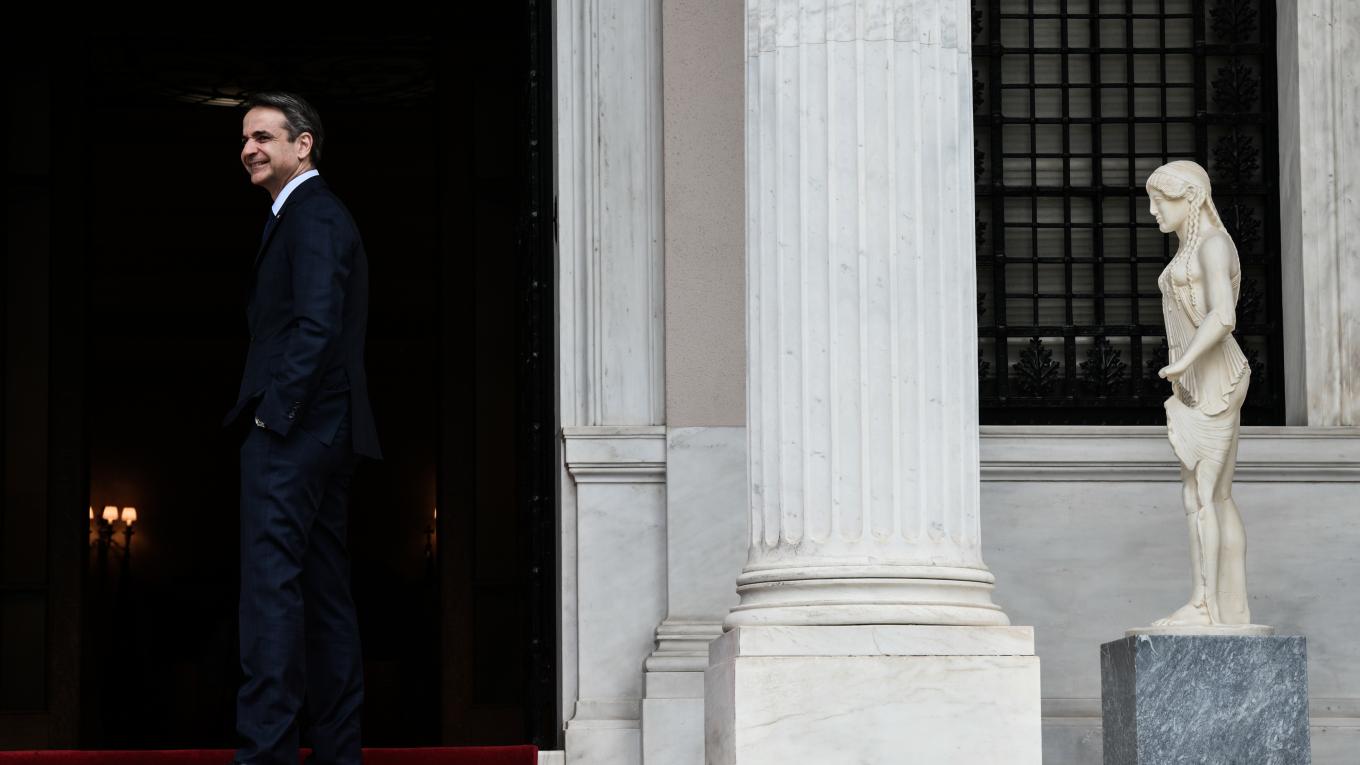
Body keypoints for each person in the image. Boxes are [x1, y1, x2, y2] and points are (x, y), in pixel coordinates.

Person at [221, 91, 382, 765]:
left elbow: (317, 325)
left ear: (303, 143)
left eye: (262, 136)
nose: (248, 149)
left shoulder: (312, 215)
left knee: (271, 594)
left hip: (295, 433)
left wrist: (273, 414)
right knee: (322, 594)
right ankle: (339, 753)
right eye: (244, 139)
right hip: (324, 432)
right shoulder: (309, 214)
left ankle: (266, 754)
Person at [1145, 159, 1251, 628]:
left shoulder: (1213, 245)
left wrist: (1183, 362)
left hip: (1215, 377)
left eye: (1159, 201)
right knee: (1212, 495)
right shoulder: (1195, 247)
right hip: (1198, 379)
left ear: (1189, 197)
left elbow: (1224, 315)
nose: (1153, 211)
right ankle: (1231, 609)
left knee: (1203, 494)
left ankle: (1207, 604)